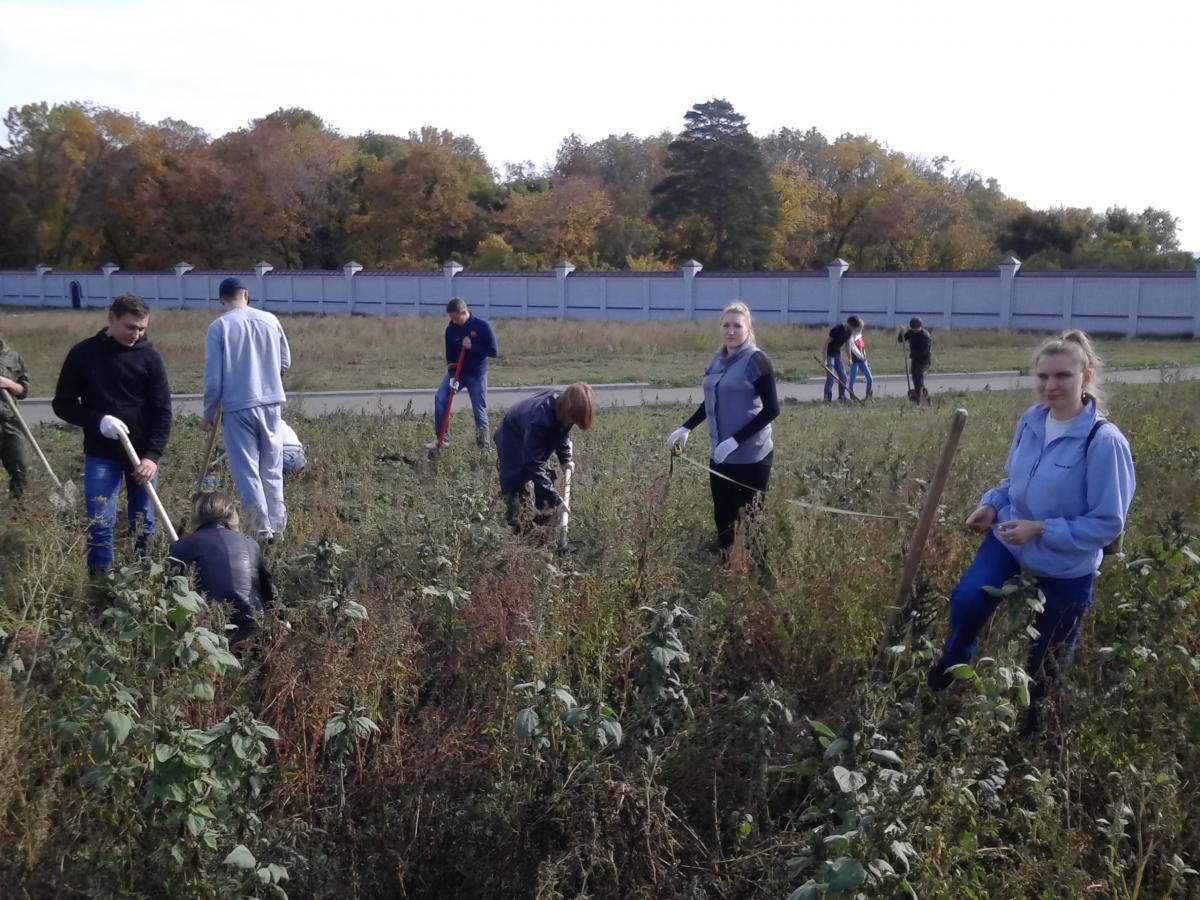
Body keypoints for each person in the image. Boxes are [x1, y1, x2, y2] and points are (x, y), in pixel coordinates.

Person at [927, 331, 1135, 734]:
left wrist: (1042, 529)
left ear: (1086, 378)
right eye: (1042, 376)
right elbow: (1014, 481)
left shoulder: (1103, 441)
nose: (1050, 386)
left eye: (1062, 376)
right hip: (1009, 543)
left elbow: (1108, 523)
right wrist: (991, 504)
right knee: (968, 601)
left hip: (1065, 565)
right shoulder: (1032, 419)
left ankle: (1037, 732)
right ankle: (955, 660)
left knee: (1049, 660)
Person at [53, 294, 172, 572]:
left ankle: (144, 583)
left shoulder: (150, 359)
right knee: (100, 526)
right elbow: (63, 404)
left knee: (144, 525)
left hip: (141, 457)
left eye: (142, 328)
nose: (136, 334)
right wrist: (98, 420)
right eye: (130, 327)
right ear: (111, 318)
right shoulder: (83, 354)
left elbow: (163, 413)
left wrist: (152, 457)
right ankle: (101, 587)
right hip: (101, 456)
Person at [666, 301, 780, 552]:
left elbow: (772, 409)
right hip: (720, 456)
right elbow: (712, 400)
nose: (731, 331)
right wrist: (686, 428)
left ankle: (755, 575)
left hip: (752, 456)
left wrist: (735, 441)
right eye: (726, 325)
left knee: (748, 520)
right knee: (723, 518)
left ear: (748, 329)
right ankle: (727, 570)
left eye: (737, 326)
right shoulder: (717, 360)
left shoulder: (757, 360)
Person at [203, 277, 291, 542]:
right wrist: (269, 380)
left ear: (222, 299)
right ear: (246, 294)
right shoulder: (270, 319)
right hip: (271, 402)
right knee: (272, 469)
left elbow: (213, 378)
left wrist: (209, 412)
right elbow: (285, 361)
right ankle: (279, 527)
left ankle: (262, 531)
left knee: (247, 471)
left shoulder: (219, 327)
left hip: (237, 405)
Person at [170, 491, 279, 644]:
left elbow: (170, 594)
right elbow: (270, 593)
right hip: (254, 626)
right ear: (232, 515)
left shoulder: (181, 547)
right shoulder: (251, 543)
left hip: (210, 631)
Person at [495, 383, 595, 531]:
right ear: (567, 411)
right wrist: (556, 500)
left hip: (530, 428)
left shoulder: (566, 404)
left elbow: (562, 431)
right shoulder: (540, 420)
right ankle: (517, 526)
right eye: (573, 420)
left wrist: (565, 458)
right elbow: (533, 463)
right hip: (512, 434)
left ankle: (544, 518)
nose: (572, 424)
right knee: (515, 480)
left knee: (542, 477)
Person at [426, 297, 499, 451]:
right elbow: (450, 355)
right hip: (457, 373)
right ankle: (442, 439)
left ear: (464, 312)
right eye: (451, 318)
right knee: (440, 398)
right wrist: (453, 375)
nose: (453, 321)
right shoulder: (451, 329)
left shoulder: (482, 326)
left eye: (455, 318)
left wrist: (472, 346)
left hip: (476, 375)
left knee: (479, 410)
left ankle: (484, 447)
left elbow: (493, 351)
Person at [0, 336, 31, 498]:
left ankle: (18, 515)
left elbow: (23, 391)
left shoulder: (12, 356)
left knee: (20, 469)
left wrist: (9, 383)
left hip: (11, 421)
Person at [822, 315, 860, 402]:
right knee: (831, 377)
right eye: (853, 327)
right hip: (829, 355)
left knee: (843, 377)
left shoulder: (849, 332)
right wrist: (824, 360)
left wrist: (850, 358)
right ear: (849, 324)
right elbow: (825, 344)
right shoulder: (836, 330)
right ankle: (827, 399)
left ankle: (841, 397)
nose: (853, 330)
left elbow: (847, 344)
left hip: (837, 355)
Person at [897, 317, 932, 404]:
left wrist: (910, 355)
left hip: (924, 361)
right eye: (913, 328)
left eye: (916, 329)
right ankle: (923, 399)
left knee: (919, 379)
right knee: (915, 379)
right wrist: (901, 332)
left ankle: (920, 400)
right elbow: (901, 340)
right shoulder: (911, 332)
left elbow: (923, 352)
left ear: (920, 327)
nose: (914, 330)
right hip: (915, 360)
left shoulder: (925, 336)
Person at [847, 317, 874, 400]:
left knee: (870, 378)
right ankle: (852, 395)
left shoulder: (860, 335)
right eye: (860, 328)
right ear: (856, 327)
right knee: (852, 379)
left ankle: (869, 396)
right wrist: (860, 356)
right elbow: (853, 348)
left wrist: (865, 358)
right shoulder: (850, 337)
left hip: (863, 361)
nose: (861, 329)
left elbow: (862, 347)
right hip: (855, 361)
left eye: (862, 327)